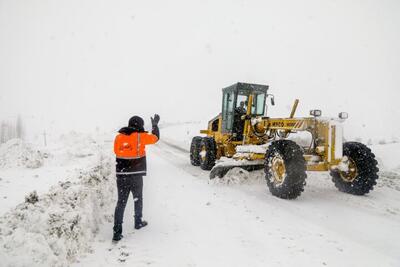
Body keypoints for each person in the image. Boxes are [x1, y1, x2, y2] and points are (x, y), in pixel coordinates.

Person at [112, 114, 160, 242]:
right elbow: (155, 138)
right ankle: (138, 222)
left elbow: (116, 151)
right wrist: (155, 125)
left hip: (122, 176)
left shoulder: (118, 137)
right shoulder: (141, 137)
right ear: (140, 125)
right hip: (136, 176)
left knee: (121, 202)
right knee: (137, 199)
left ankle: (117, 232)